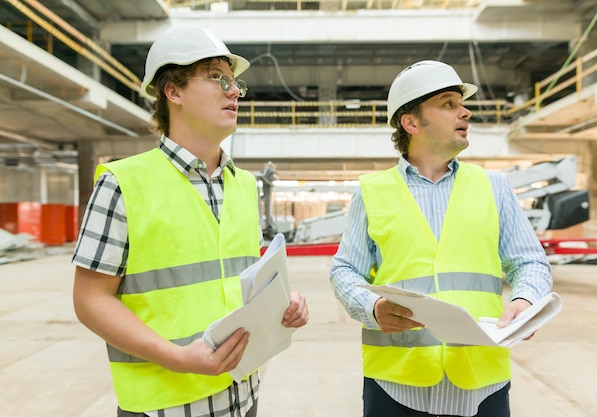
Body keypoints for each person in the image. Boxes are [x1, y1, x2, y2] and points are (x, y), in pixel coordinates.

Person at [72, 25, 308, 417]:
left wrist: (283, 303)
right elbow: (90, 299)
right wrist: (178, 357)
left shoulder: (245, 185)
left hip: (242, 397)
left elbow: (235, 283)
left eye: (235, 83)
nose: (234, 91)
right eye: (218, 79)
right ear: (174, 91)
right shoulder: (122, 183)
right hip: (164, 407)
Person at [329, 60, 552, 417]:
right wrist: (372, 308)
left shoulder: (494, 187)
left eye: (461, 104)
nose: (465, 112)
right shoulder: (373, 191)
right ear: (411, 122)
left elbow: (529, 261)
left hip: (482, 381)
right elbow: (344, 270)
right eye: (449, 104)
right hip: (396, 383)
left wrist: (526, 301)